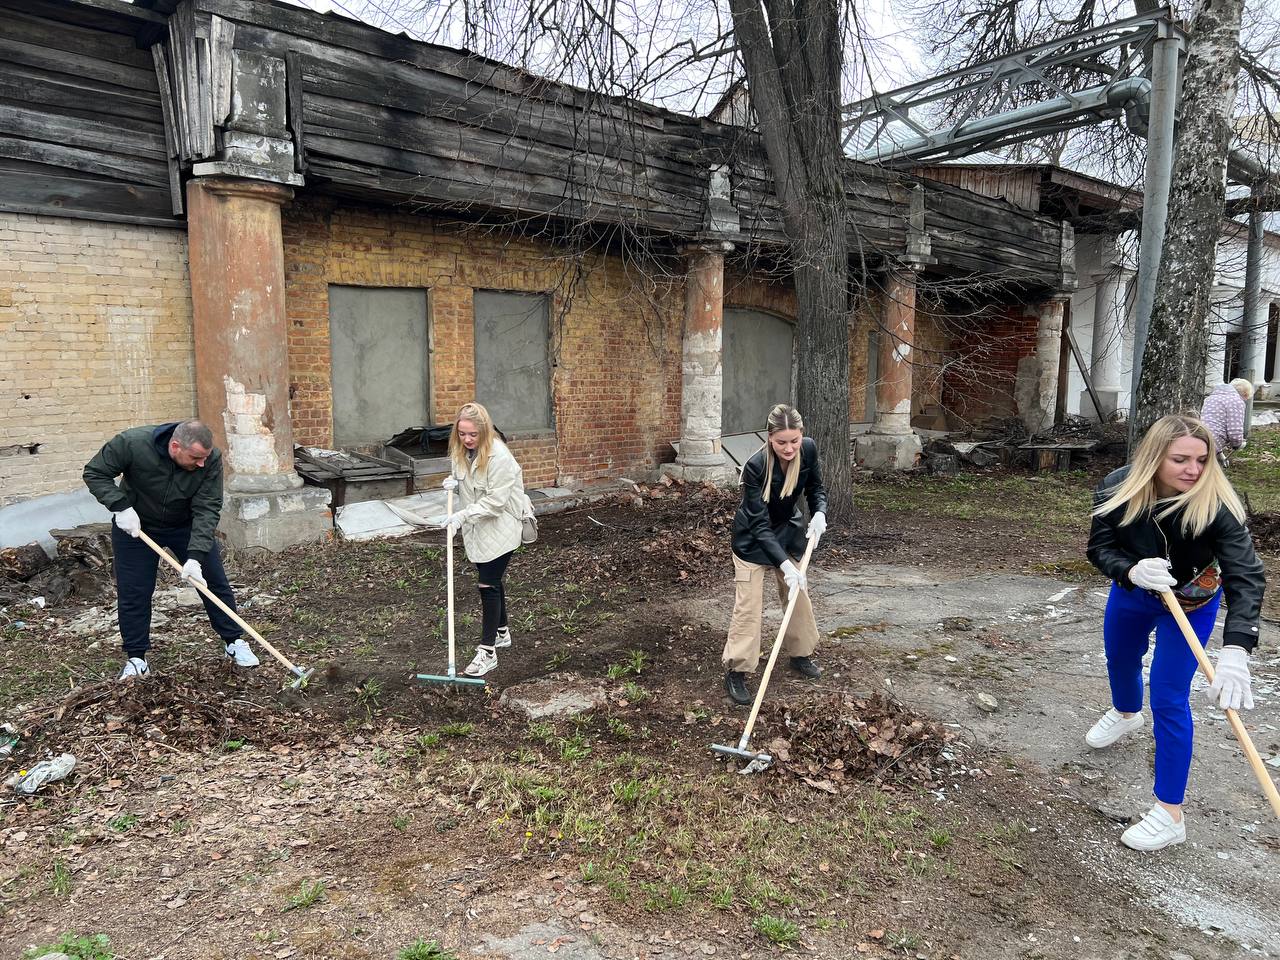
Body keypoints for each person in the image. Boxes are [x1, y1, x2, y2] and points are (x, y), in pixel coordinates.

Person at [1085, 414, 1265, 851]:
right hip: (1136, 589)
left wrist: (1237, 649)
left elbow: (1246, 575)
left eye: (1203, 459)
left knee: (1168, 694)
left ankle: (1169, 815)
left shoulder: (1217, 503)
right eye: (1181, 459)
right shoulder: (1117, 487)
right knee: (1121, 658)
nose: (1194, 470)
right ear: (1153, 458)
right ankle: (1127, 715)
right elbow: (1099, 547)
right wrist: (1129, 569)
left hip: (1193, 601)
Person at [83, 420, 259, 680]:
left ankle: (233, 642)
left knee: (214, 582)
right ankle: (137, 658)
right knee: (134, 591)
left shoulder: (210, 459)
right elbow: (95, 472)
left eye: (205, 458)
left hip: (185, 524)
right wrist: (120, 506)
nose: (201, 464)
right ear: (175, 446)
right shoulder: (132, 444)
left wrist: (196, 557)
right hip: (136, 524)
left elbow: (208, 506)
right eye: (196, 457)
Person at [722, 403, 828, 706]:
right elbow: (758, 523)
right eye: (781, 442)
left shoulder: (808, 449)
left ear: (801, 436)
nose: (789, 448)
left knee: (797, 595)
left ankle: (800, 655)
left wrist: (820, 512)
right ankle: (737, 670)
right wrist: (784, 564)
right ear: (769, 438)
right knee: (748, 606)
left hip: (788, 531)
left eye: (794, 440)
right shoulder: (755, 466)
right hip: (753, 540)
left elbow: (816, 489)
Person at [430, 402, 532, 678]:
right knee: (493, 580)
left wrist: (462, 516)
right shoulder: (461, 451)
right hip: (478, 531)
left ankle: (487, 652)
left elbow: (496, 503)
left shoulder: (500, 457)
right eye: (462, 434)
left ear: (485, 431)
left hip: (502, 526)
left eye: (472, 434)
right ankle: (502, 633)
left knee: (487, 583)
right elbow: (465, 480)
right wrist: (452, 481)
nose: (467, 439)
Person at [1199, 378, 1252, 461]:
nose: (1245, 400)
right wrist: (1238, 443)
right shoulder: (1236, 401)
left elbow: (1214, 424)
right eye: (1247, 397)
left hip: (1200, 436)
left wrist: (1220, 453)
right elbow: (1234, 429)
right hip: (1213, 443)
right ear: (1245, 394)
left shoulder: (1210, 398)